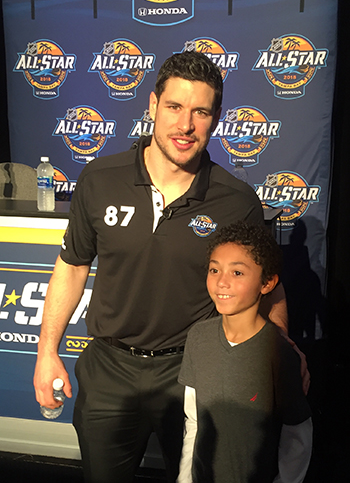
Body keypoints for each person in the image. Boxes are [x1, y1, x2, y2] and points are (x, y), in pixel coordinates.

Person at [34, 51, 289, 483]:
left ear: (215, 119)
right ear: (152, 105)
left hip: (195, 368)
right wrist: (46, 352)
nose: (185, 125)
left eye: (200, 112)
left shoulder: (236, 199)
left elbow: (268, 287)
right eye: (174, 107)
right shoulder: (99, 178)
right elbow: (72, 266)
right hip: (109, 370)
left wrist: (283, 352)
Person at [177, 221, 312, 483]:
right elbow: (193, 421)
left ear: (267, 283)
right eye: (214, 269)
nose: (221, 282)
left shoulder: (279, 353)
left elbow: (296, 437)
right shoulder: (198, 337)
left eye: (237, 273)